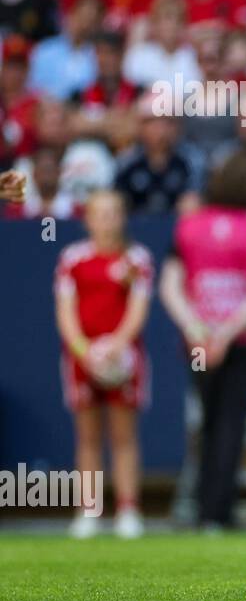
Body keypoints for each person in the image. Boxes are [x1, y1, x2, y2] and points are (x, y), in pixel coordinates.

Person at [160, 151, 246, 530]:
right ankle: (219, 512)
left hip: (199, 343)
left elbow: (170, 285)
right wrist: (227, 333)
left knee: (204, 423)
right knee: (232, 425)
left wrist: (197, 331)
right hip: (243, 342)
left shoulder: (190, 225)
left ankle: (200, 507)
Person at [53, 189, 154, 539]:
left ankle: (128, 509)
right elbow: (65, 311)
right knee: (88, 437)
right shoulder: (73, 259)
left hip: (124, 360)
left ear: (123, 217)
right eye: (100, 213)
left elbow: (137, 310)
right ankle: (89, 510)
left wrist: (116, 345)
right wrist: (83, 349)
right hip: (82, 360)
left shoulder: (136, 259)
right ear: (88, 219)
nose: (108, 220)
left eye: (114, 213)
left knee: (124, 436)